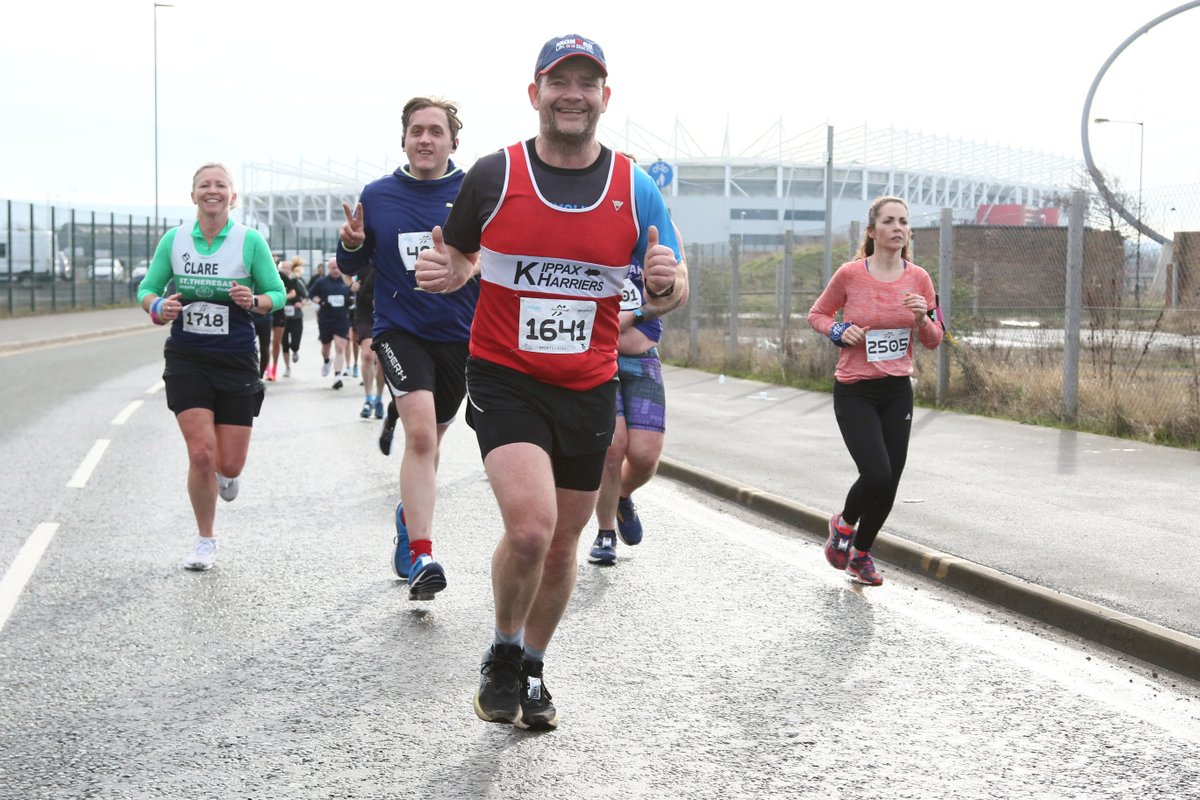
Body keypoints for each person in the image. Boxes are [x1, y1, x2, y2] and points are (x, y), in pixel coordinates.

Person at [414, 35, 682, 730]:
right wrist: (455, 272)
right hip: (506, 375)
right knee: (531, 529)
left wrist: (664, 288)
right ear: (535, 93)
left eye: (587, 82)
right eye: (559, 81)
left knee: (564, 543)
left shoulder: (635, 186)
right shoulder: (494, 174)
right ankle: (503, 651)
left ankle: (531, 667)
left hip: (589, 384)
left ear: (604, 98)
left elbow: (670, 283)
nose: (573, 93)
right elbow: (465, 254)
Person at [337, 96, 476, 601]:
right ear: (404, 139)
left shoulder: (474, 192)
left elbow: (499, 256)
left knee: (433, 444)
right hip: (400, 331)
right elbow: (353, 266)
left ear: (452, 142)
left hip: (459, 338)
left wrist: (471, 265)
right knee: (419, 437)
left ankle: (406, 516)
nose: (425, 139)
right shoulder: (379, 195)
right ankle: (422, 554)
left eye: (435, 131)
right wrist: (352, 243)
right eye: (416, 130)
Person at [137, 162, 284, 571]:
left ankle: (227, 474)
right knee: (201, 453)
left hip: (236, 359)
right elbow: (147, 288)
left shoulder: (248, 241)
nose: (212, 190)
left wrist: (253, 302)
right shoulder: (175, 240)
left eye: (221, 185)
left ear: (232, 197)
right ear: (194, 195)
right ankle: (205, 540)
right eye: (205, 185)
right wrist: (157, 307)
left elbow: (277, 293)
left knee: (229, 463)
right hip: (188, 357)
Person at [807, 195, 944, 586]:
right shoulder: (851, 274)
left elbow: (935, 339)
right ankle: (843, 526)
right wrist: (838, 330)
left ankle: (861, 555)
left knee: (891, 480)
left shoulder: (919, 279)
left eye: (903, 221)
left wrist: (922, 319)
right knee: (877, 473)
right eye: (889, 221)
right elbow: (817, 314)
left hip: (897, 389)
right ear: (872, 231)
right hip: (855, 390)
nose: (898, 227)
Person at [589, 224, 689, 564]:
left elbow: (679, 291)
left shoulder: (657, 226)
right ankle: (605, 534)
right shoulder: (591, 220)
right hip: (599, 357)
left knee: (645, 457)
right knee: (612, 450)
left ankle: (621, 497)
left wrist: (635, 314)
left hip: (644, 359)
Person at [307, 257, 352, 389]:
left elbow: (352, 295)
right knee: (326, 347)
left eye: (338, 267)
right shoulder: (321, 282)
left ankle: (337, 376)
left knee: (340, 346)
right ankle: (327, 361)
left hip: (342, 318)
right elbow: (311, 294)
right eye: (333, 268)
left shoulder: (345, 281)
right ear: (328, 268)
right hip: (326, 319)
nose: (336, 270)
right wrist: (321, 302)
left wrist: (350, 300)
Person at [350, 261, 385, 420]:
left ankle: (378, 398)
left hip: (385, 316)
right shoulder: (363, 261)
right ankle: (368, 398)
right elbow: (345, 271)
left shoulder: (389, 262)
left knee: (382, 361)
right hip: (364, 315)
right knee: (368, 355)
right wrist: (351, 284)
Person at [267, 258, 299, 379]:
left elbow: (293, 293)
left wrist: (281, 297)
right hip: (264, 314)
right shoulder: (258, 274)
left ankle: (274, 368)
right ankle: (266, 369)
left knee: (276, 343)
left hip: (279, 313)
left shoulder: (281, 276)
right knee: (264, 345)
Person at [281, 258, 308, 369]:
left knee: (295, 343)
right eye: (283, 268)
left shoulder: (297, 281)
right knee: (284, 344)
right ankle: (287, 367)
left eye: (288, 268)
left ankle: (295, 350)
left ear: (292, 270)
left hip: (296, 316)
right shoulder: (277, 281)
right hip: (282, 317)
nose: (285, 270)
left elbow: (306, 296)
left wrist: (301, 304)